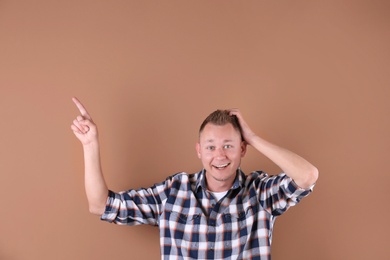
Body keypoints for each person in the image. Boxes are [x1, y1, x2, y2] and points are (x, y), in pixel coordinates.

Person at [71, 97, 319, 260]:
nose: (219, 155)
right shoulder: (173, 191)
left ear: (242, 149)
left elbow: (307, 176)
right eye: (210, 147)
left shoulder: (260, 193)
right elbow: (100, 204)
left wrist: (252, 137)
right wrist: (90, 144)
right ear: (199, 150)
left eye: (229, 146)